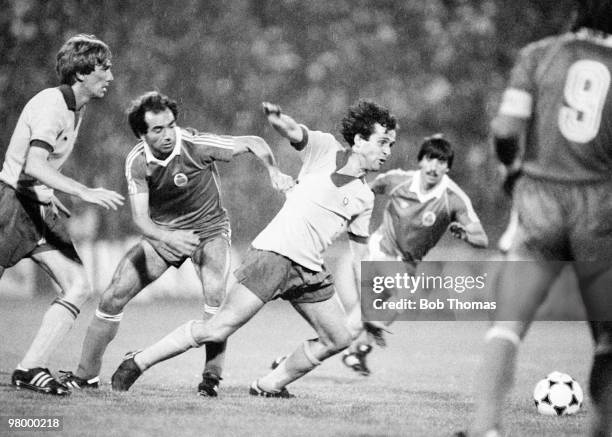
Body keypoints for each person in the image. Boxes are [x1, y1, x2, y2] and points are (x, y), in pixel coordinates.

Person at [110, 99, 397, 396]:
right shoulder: (326, 148)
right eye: (383, 142)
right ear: (361, 140)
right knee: (217, 329)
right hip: (273, 256)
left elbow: (359, 253)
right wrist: (277, 117)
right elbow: (293, 131)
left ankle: (268, 385)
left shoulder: (365, 196)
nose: (387, 151)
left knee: (338, 338)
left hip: (310, 268)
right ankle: (139, 361)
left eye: (391, 144)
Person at [59, 91, 293, 397]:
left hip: (210, 232)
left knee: (215, 300)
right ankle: (85, 375)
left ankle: (210, 378)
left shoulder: (195, 144)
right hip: (164, 235)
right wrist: (169, 237)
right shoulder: (137, 162)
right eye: (158, 129)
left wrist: (273, 170)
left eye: (171, 125)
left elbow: (254, 142)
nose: (169, 134)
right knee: (113, 296)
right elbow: (141, 220)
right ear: (141, 134)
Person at [458, 1, 612, 435]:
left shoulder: (539, 55)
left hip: (540, 201)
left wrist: (512, 170)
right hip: (601, 211)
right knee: (607, 338)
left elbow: (506, 130)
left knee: (506, 325)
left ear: (576, 14)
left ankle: (486, 429)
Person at [0, 34, 124, 396]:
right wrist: (83, 190)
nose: (111, 77)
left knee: (79, 285)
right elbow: (34, 164)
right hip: (13, 205)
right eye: (105, 68)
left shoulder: (76, 107)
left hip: (36, 206)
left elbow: (40, 165)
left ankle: (29, 369)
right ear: (83, 72)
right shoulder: (53, 105)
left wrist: (50, 196)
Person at [341, 135, 488, 376]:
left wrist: (465, 235)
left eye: (441, 162)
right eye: (430, 159)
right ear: (421, 161)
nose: (434, 166)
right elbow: (365, 189)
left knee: (354, 322)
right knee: (406, 294)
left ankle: (340, 349)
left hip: (408, 263)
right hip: (381, 249)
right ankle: (372, 327)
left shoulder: (454, 199)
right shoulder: (397, 180)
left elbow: (482, 239)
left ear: (448, 167)